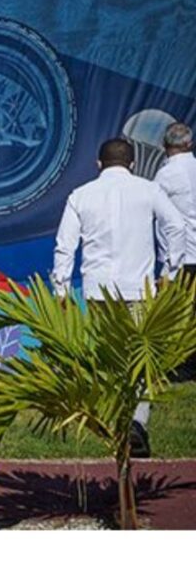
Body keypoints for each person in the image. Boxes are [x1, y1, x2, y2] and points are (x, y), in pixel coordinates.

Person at [52, 137, 186, 457]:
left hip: (99, 290)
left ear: (98, 164)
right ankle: (137, 422)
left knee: (109, 358)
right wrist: (170, 270)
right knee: (141, 356)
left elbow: (65, 245)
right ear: (134, 164)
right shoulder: (150, 190)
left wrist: (61, 289)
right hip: (138, 289)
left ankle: (117, 421)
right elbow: (177, 226)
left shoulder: (81, 195)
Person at [154, 122, 196, 281]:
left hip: (180, 258)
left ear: (164, 144)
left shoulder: (167, 174)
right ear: (189, 144)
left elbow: (154, 210)